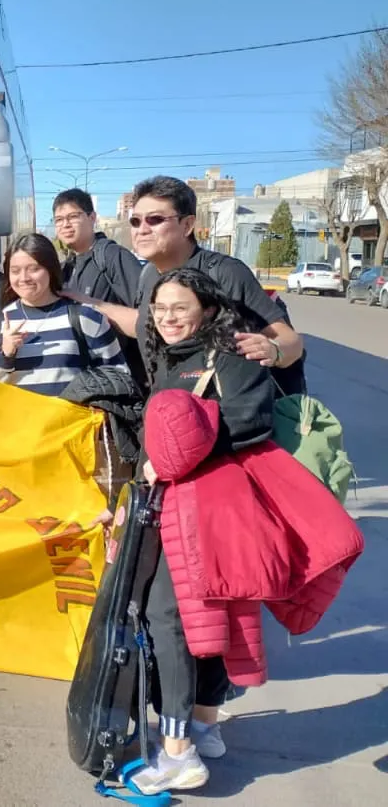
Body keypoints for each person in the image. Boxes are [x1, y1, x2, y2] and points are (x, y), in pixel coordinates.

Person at [128, 268, 276, 793]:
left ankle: (178, 752)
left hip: (212, 510)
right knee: (208, 618)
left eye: (180, 308)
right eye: (160, 309)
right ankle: (205, 725)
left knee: (168, 617)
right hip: (176, 505)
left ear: (208, 310)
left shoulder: (230, 358)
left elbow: (252, 422)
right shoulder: (171, 360)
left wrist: (172, 460)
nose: (167, 318)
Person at [72, 176, 304, 394]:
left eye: (155, 220)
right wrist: (84, 302)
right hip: (167, 408)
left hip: (223, 414)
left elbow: (291, 342)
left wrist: (273, 350)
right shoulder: (149, 274)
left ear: (187, 225)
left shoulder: (223, 272)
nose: (141, 230)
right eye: (135, 221)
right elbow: (142, 324)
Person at [0, 233, 128, 396]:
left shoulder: (85, 318)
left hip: (71, 413)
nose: (24, 278)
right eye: (15, 271)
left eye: (34, 269)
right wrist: (4, 354)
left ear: (51, 269)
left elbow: (119, 377)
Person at [53, 188, 146, 379]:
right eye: (59, 220)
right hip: (79, 375)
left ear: (92, 218)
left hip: (114, 373)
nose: (65, 225)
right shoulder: (66, 267)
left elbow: (148, 318)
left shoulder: (112, 256)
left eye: (73, 216)